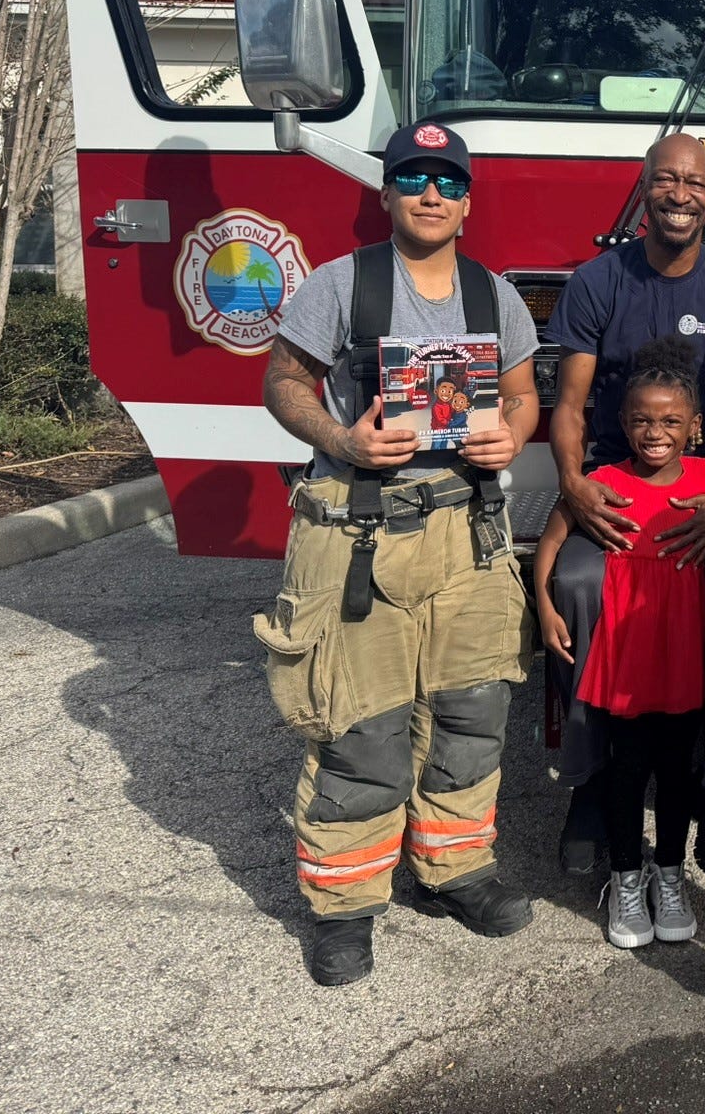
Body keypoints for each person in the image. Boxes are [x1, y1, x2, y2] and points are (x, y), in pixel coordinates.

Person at [257, 120, 542, 987]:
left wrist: (508, 438)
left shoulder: (497, 298)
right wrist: (341, 439)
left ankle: (456, 870)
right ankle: (344, 905)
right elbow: (280, 382)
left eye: (448, 182)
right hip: (359, 529)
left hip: (470, 532)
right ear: (385, 193)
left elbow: (525, 397)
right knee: (362, 724)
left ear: (467, 200)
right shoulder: (339, 287)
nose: (431, 194)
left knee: (471, 715)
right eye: (413, 178)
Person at [544, 133, 705, 881]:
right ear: (644, 190)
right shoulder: (596, 282)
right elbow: (570, 407)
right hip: (614, 491)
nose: (681, 194)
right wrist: (575, 485)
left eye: (695, 182)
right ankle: (589, 780)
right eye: (666, 180)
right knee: (581, 586)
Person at [534, 337, 705, 950]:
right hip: (625, 653)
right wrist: (542, 603)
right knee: (626, 766)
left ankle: (669, 873)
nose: (654, 432)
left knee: (674, 769)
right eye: (641, 420)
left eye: (670, 421)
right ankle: (624, 874)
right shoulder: (603, 481)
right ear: (621, 422)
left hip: (682, 655)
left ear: (695, 427)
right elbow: (552, 541)